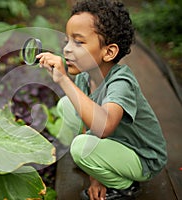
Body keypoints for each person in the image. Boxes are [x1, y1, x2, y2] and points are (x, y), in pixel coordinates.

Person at [36, 0, 167, 199]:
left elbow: (103, 125)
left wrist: (63, 79)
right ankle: (101, 165)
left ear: (109, 52)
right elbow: (85, 124)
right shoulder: (84, 76)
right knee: (66, 105)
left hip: (142, 157)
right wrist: (94, 176)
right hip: (115, 143)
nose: (67, 50)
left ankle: (124, 185)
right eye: (67, 42)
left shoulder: (121, 82)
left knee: (80, 148)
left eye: (78, 42)